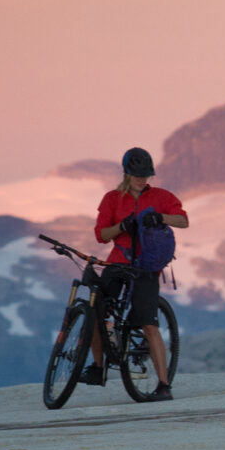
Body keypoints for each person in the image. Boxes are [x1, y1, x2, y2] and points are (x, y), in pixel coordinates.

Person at [85, 147, 189, 401]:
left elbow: (183, 220)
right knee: (95, 311)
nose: (143, 179)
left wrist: (159, 217)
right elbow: (101, 235)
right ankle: (98, 369)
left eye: (146, 175)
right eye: (137, 175)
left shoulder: (162, 196)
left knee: (149, 325)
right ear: (126, 174)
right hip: (118, 263)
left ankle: (164, 385)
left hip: (146, 268)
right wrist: (122, 226)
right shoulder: (112, 199)